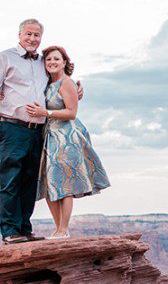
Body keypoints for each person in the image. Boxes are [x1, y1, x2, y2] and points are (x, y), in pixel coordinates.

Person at [25, 45, 109, 239]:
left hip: (66, 138)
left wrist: (46, 113)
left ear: (64, 62)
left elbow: (71, 112)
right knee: (49, 183)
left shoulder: (67, 83)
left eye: (56, 59)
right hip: (49, 138)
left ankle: (64, 228)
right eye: (48, 60)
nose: (52, 62)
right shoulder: (46, 84)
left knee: (65, 184)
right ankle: (58, 228)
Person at [0, 18, 50, 245]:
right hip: (11, 127)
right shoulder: (4, 58)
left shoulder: (42, 62)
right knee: (10, 179)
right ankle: (10, 231)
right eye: (28, 34)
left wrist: (76, 89)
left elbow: (55, 84)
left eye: (36, 35)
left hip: (37, 130)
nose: (32, 39)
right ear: (19, 35)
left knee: (30, 180)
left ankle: (24, 228)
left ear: (41, 38)